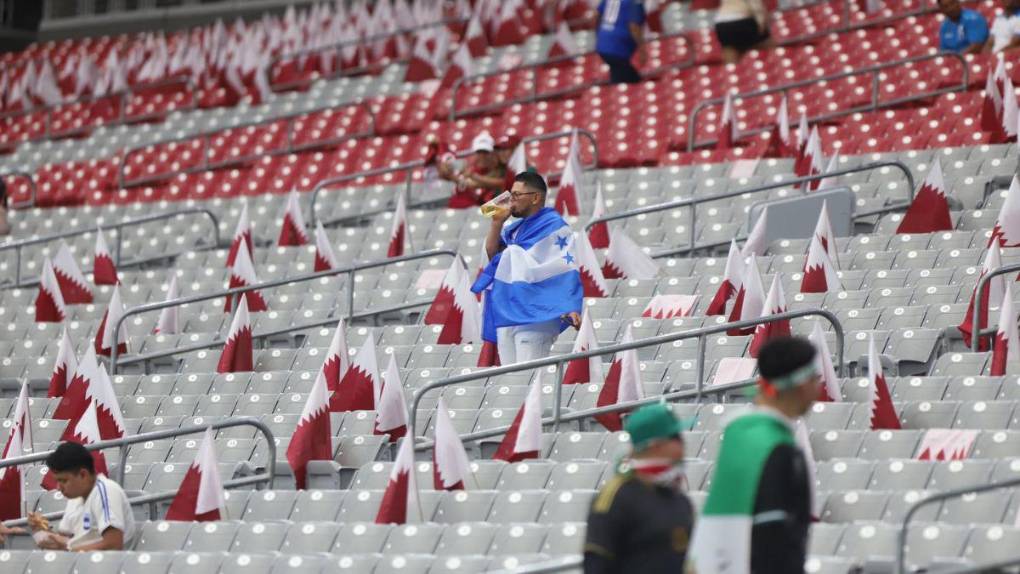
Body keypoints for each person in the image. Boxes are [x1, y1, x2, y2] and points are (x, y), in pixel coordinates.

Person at [687, 336, 817, 574]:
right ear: (801, 385)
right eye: (815, 378)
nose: (819, 387)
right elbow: (774, 537)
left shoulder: (739, 435)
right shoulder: (779, 449)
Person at [472, 171, 583, 364]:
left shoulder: (554, 227)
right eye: (510, 194)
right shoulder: (513, 230)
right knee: (510, 378)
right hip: (509, 311)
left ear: (535, 198)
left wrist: (567, 305)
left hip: (536, 315)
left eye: (516, 195)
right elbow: (495, 259)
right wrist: (497, 222)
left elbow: (562, 269)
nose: (510, 200)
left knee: (529, 379)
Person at [583, 403, 695, 574]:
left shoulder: (679, 499)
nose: (683, 446)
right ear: (656, 445)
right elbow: (596, 564)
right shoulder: (616, 498)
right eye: (676, 438)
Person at [27, 442, 136, 551]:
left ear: (83, 475)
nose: (58, 488)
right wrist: (41, 530)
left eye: (63, 481)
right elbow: (65, 540)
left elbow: (113, 545)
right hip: (81, 564)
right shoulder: (76, 497)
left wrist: (68, 547)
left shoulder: (106, 491)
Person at [440, 131, 506, 209]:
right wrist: (445, 169)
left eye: (485, 152)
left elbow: (489, 210)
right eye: (479, 152)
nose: (482, 156)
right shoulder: (465, 167)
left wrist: (469, 176)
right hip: (455, 213)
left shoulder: (504, 174)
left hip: (480, 215)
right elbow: (443, 174)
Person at [595, 0, 645, 84]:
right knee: (626, 80)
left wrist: (600, 34)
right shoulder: (635, 2)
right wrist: (642, 49)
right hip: (618, 47)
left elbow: (596, 16)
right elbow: (634, 26)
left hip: (604, 44)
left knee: (626, 75)